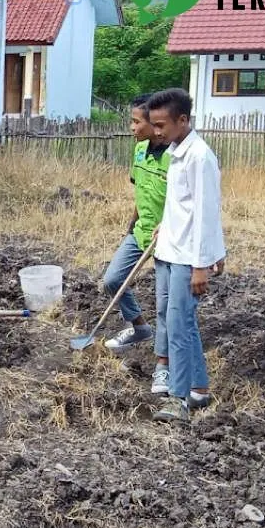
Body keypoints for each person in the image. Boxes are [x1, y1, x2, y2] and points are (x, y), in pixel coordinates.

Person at [144, 88, 226, 422]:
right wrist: (165, 224)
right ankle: (199, 389)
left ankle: (177, 398)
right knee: (175, 319)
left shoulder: (199, 157)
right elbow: (183, 204)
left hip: (186, 257)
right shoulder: (177, 151)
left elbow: (207, 213)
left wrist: (201, 266)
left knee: (178, 326)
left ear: (183, 120)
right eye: (154, 125)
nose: (157, 132)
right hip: (169, 249)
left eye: (162, 125)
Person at [103, 94, 171, 357]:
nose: (132, 128)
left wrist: (167, 224)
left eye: (135, 122)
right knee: (113, 280)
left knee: (167, 302)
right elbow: (141, 190)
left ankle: (163, 359)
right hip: (141, 230)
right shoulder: (140, 150)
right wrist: (132, 222)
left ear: (154, 123)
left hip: (168, 237)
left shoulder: (175, 156)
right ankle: (140, 327)